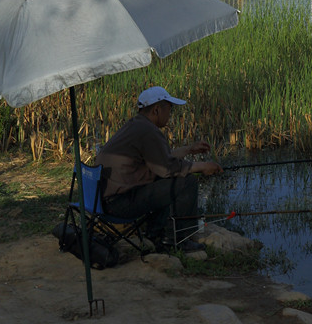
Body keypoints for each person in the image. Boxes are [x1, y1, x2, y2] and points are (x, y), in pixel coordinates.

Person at [94, 86, 223, 252]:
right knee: (187, 182)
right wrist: (202, 166)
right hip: (119, 204)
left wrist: (189, 149)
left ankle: (155, 233)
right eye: (169, 108)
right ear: (156, 110)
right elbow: (166, 168)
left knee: (165, 179)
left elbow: (159, 160)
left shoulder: (137, 125)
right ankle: (178, 239)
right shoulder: (148, 131)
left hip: (106, 199)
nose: (171, 113)